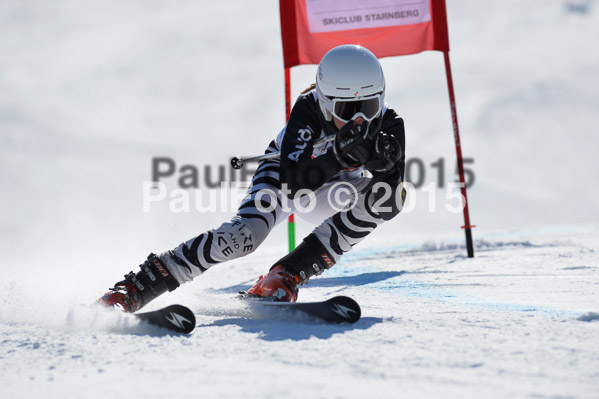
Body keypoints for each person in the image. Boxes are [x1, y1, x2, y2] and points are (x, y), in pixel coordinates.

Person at [98, 44, 406, 312]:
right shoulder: (308, 110)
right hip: (286, 176)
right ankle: (135, 288)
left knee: (387, 196)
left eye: (369, 105)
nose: (360, 119)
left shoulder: (389, 123)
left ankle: (287, 274)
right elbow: (292, 183)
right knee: (244, 237)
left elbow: (390, 204)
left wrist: (385, 165)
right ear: (325, 102)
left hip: (334, 191)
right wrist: (338, 156)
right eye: (348, 108)